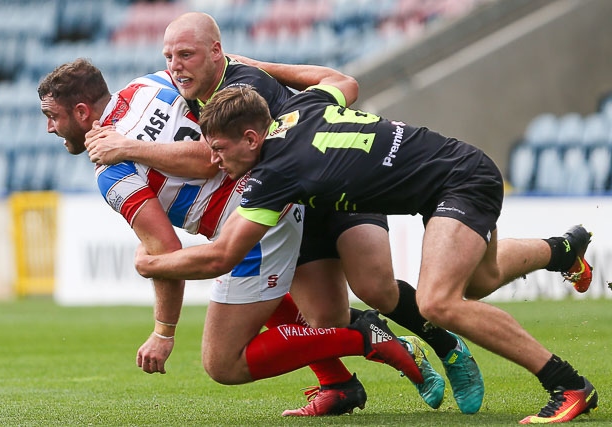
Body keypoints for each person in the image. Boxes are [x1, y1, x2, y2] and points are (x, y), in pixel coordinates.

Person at [85, 12, 484, 416]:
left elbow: (209, 160)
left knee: (374, 288)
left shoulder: (245, 82)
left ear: (216, 52)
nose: (174, 65)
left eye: (185, 54)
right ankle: (373, 348)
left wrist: (127, 149)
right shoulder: (191, 94)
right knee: (327, 316)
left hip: (339, 184)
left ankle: (449, 347)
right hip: (292, 202)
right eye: (168, 55)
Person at [133, 80, 597, 424]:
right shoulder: (302, 106)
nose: (214, 162)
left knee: (440, 302)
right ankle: (560, 250)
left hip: (458, 182)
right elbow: (339, 83)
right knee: (480, 280)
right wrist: (263, 68)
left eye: (218, 149)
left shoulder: (272, 175)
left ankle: (567, 384)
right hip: (456, 170)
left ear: (252, 139)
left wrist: (152, 263)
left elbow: (221, 257)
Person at [38, 58, 431, 416]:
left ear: (82, 112)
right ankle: (338, 383)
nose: (49, 127)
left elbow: (165, 252)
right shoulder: (150, 85)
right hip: (279, 182)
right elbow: (220, 123)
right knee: (262, 304)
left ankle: (361, 335)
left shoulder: (112, 169)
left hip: (255, 220)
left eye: (52, 116)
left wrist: (163, 331)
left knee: (223, 362)